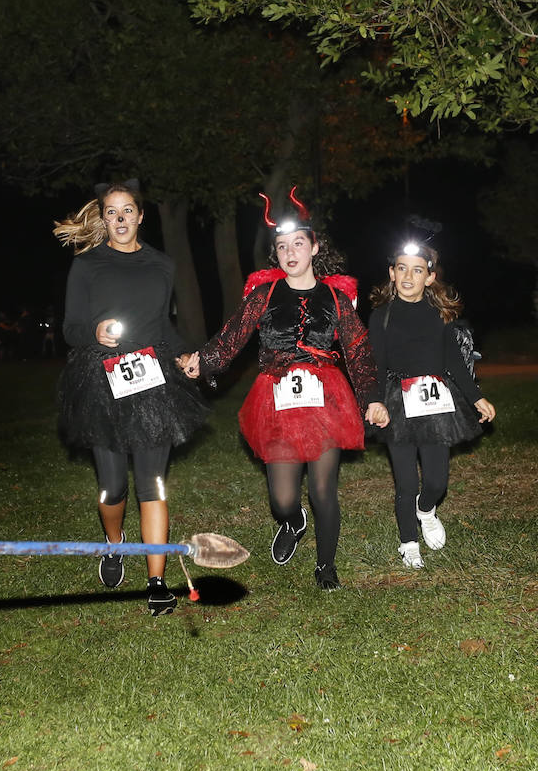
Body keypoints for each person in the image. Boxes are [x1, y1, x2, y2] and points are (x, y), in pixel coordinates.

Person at [180, 188, 387, 591]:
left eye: (298, 244)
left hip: (326, 399)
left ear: (314, 246)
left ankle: (326, 567)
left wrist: (373, 398)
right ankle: (293, 522)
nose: (290, 252)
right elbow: (231, 337)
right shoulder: (265, 294)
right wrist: (202, 362)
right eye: (282, 246)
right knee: (283, 500)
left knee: (324, 490)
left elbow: (359, 351)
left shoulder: (336, 299)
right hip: (275, 399)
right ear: (275, 253)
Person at [55, 180, 208, 615]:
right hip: (100, 382)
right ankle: (114, 542)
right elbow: (70, 328)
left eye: (128, 211)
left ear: (141, 216)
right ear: (103, 219)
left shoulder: (162, 264)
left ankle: (157, 581)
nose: (120, 219)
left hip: (151, 380)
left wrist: (182, 355)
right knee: (112, 487)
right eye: (111, 212)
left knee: (152, 483)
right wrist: (93, 333)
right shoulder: (87, 265)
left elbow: (162, 325)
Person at [367, 239, 496, 568]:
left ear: (430, 277)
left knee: (437, 481)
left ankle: (426, 511)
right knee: (406, 481)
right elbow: (375, 367)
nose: (408, 276)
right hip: (397, 402)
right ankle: (408, 542)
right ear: (392, 274)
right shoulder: (381, 317)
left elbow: (454, 361)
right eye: (401, 268)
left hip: (435, 402)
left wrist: (476, 396)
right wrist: (375, 401)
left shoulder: (439, 315)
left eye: (417, 270)